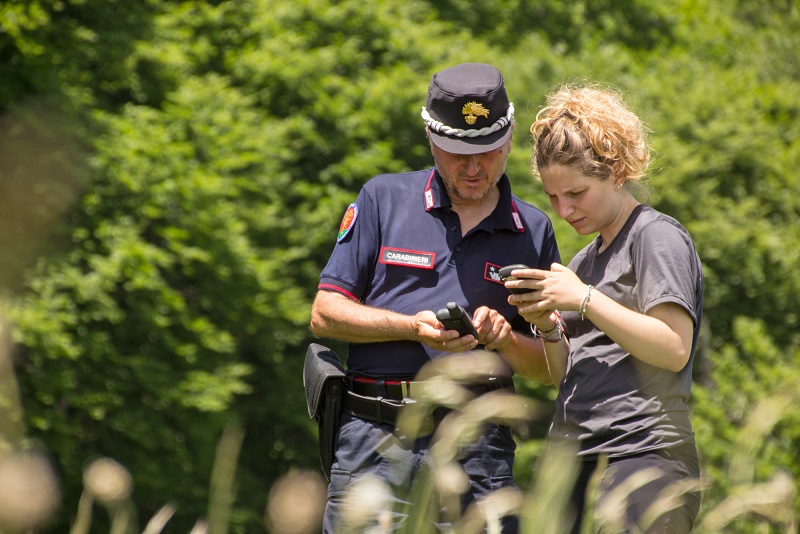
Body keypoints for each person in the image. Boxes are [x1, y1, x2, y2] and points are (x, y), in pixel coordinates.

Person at [309, 62, 561, 533]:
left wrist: (503, 337)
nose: (472, 167)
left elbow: (549, 369)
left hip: (479, 450)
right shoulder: (382, 198)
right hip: (374, 439)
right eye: (456, 153)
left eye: (486, 152)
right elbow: (325, 313)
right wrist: (411, 326)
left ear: (508, 143)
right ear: (431, 140)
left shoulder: (534, 231)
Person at [504, 83, 704, 533]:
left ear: (616, 170)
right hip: (572, 458)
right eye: (554, 198)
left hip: (644, 454)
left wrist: (585, 299)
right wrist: (549, 328)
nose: (564, 209)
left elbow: (674, 348)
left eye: (576, 193)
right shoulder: (583, 261)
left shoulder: (656, 237)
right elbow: (564, 374)